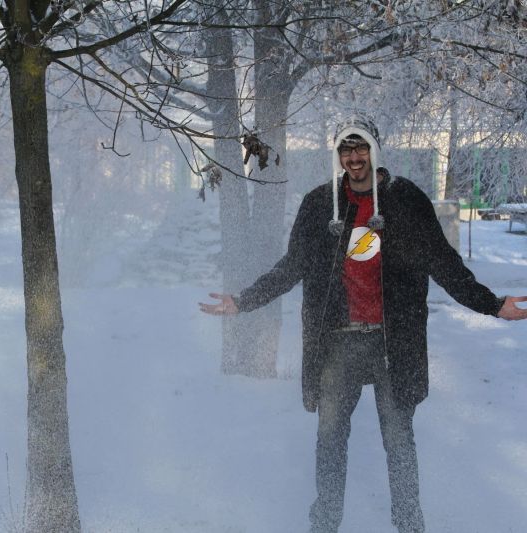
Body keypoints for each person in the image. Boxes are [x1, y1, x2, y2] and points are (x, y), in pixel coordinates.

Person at [199, 115, 527, 533]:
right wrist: (244, 301)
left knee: (398, 443)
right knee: (330, 441)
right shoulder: (320, 205)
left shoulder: (405, 200)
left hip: (395, 342)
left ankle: (409, 526)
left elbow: (443, 262)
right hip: (339, 343)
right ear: (338, 155)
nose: (354, 158)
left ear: (375, 149)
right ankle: (325, 525)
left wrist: (492, 305)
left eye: (361, 148)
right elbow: (292, 266)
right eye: (346, 150)